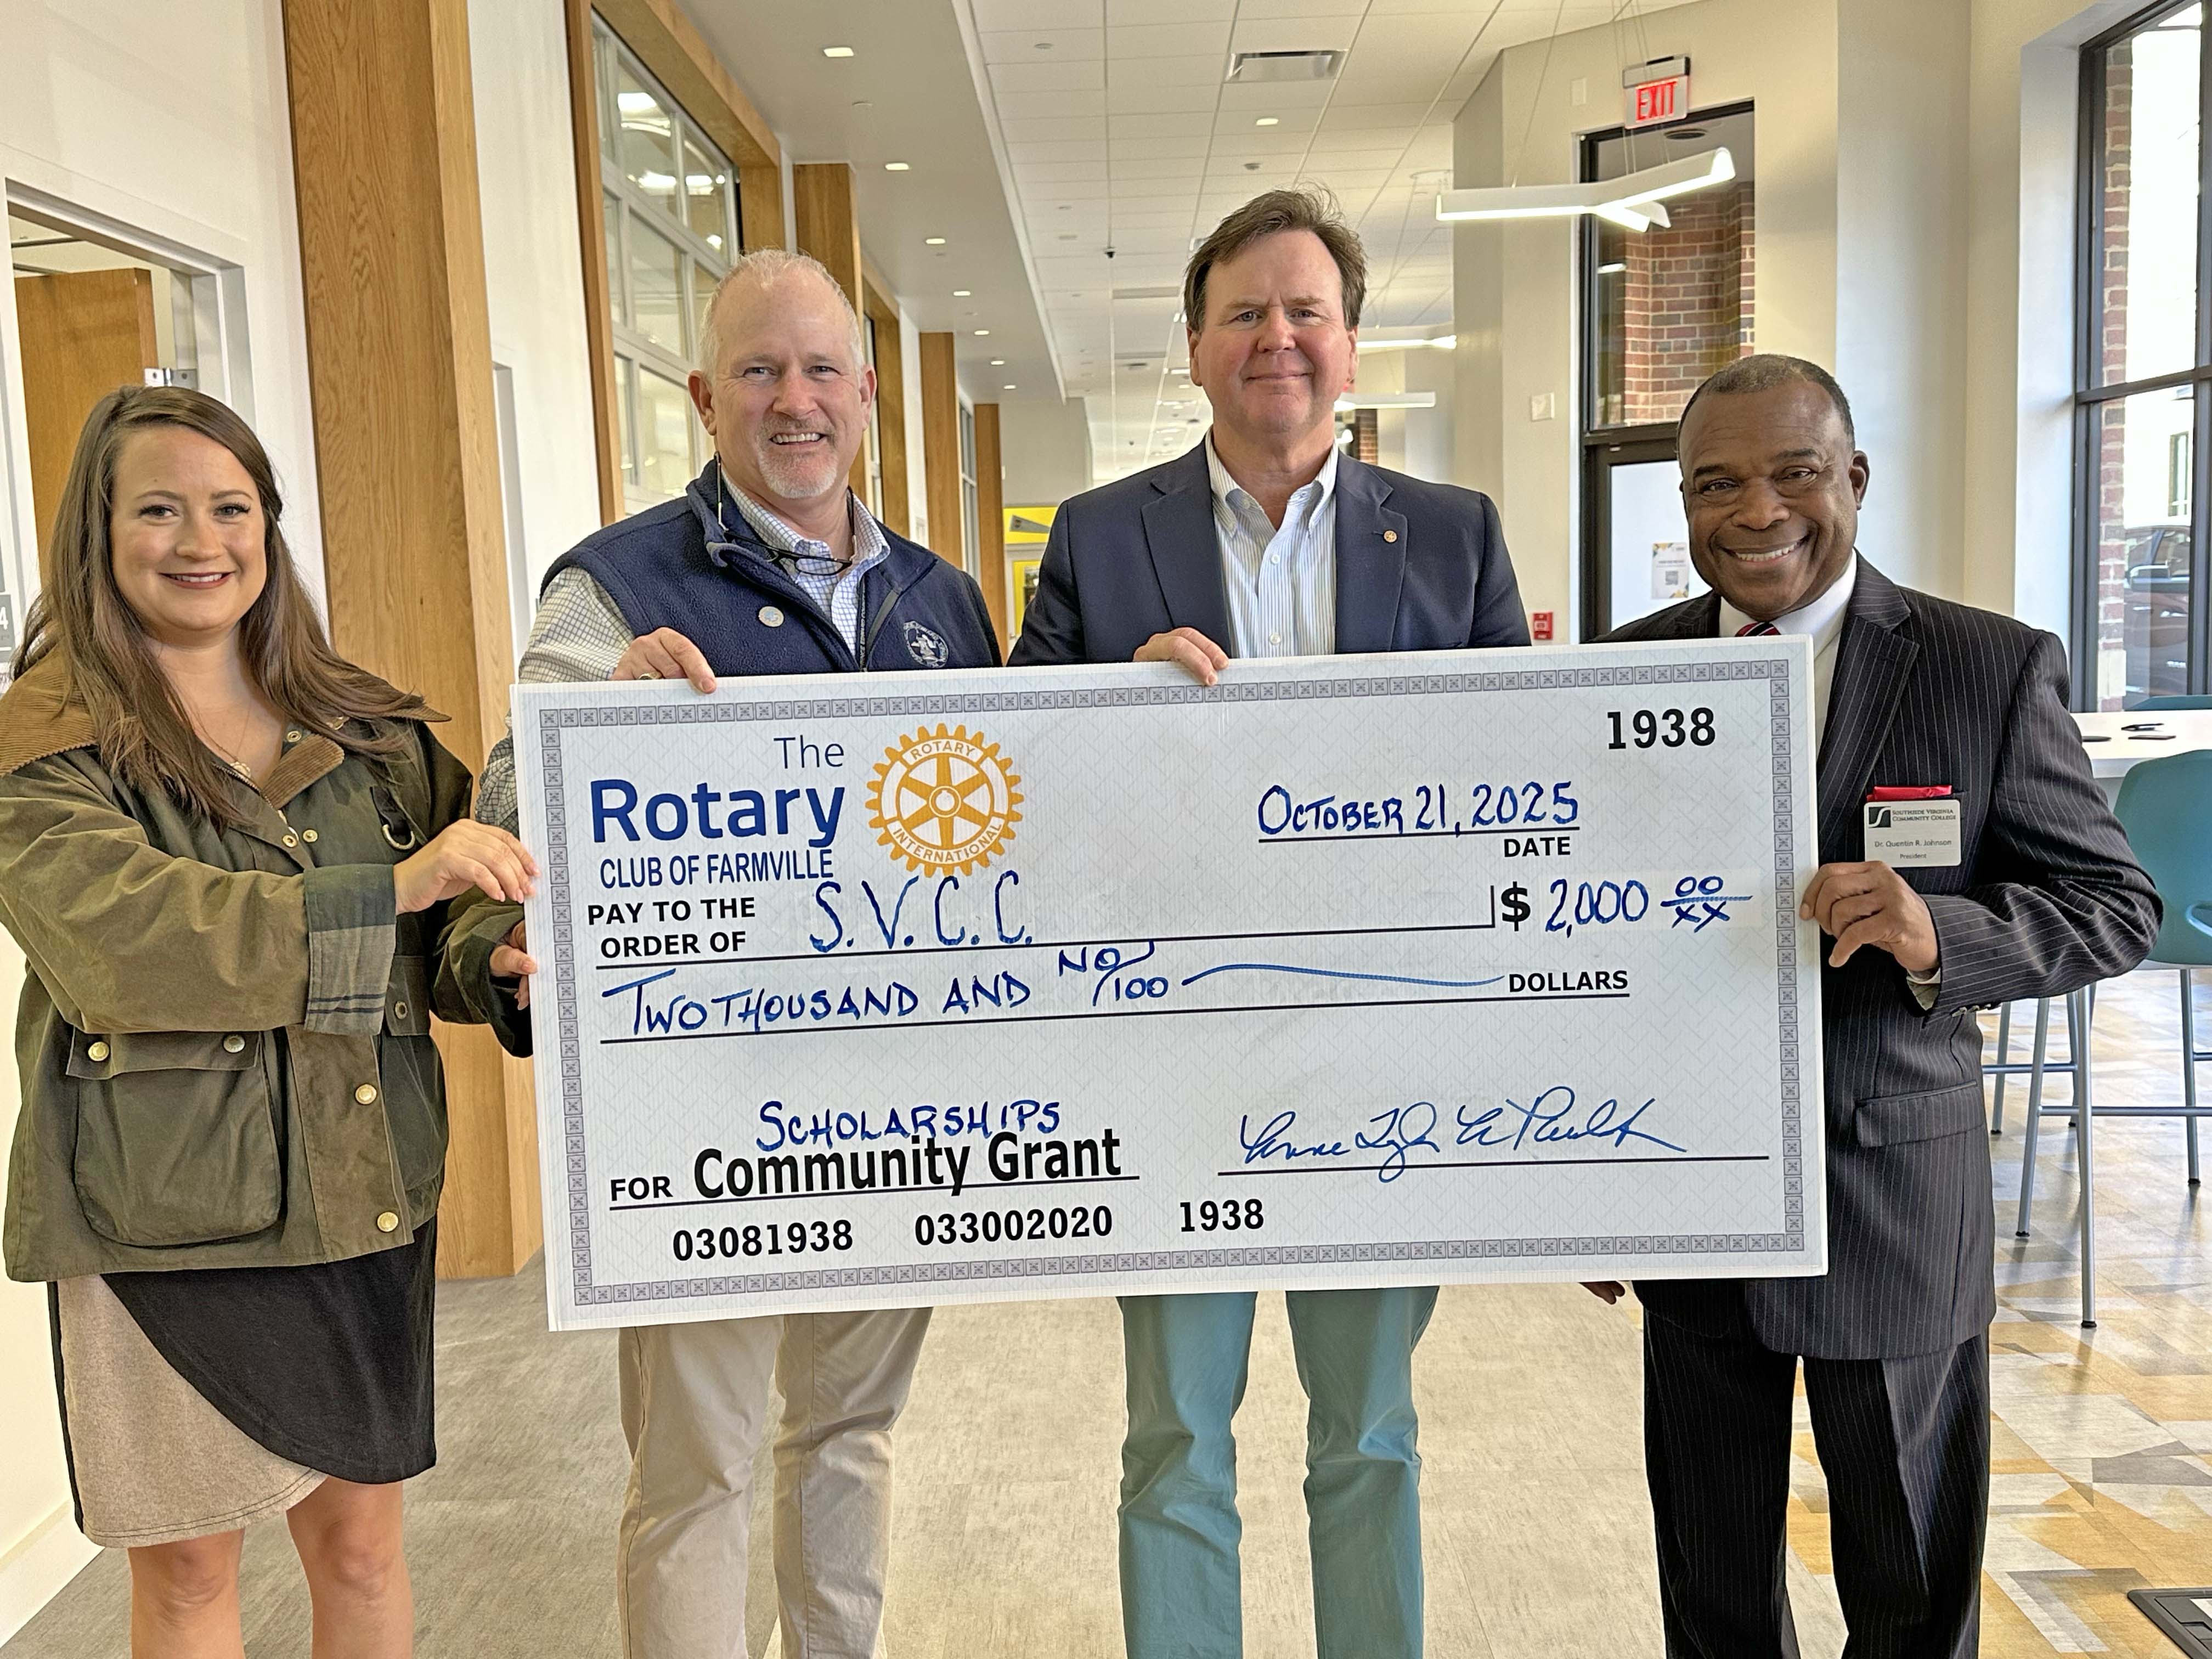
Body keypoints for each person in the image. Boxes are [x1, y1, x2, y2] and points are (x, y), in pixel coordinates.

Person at [441, 247, 997, 1658]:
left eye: (821, 371)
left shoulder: (944, 603)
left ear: (868, 395)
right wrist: (597, 727)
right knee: (698, 1469)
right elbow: (508, 801)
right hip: (704, 1122)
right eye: (758, 370)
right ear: (704, 394)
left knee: (853, 1435)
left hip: (901, 1104)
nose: (793, 400)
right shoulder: (615, 585)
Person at [1011, 188, 1527, 1659]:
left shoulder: (1452, 534)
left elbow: (1516, 777)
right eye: (1244, 313)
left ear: (1352, 344)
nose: (1276, 340)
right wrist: (1116, 698)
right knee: (1175, 1431)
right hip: (1171, 1059)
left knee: (1370, 1426)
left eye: (1306, 311)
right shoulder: (1103, 541)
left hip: (1380, 1061)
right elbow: (1020, 784)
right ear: (1194, 348)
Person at [1590, 354, 2160, 1658]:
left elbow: (2112, 907)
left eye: (1794, 473)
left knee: (1910, 1594)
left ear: (1854, 478)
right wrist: (1585, 1178)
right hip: (1693, 1202)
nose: (1757, 511)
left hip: (1897, 1207)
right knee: (1714, 1591)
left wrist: (1936, 933)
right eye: (1716, 483)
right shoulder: (1624, 675)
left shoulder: (1988, 667)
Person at [0, 386, 536, 1657]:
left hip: (361, 1189)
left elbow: (445, 933)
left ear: (269, 526)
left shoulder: (364, 724)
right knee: (189, 1574)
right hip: (160, 1221)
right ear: (97, 533)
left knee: (361, 1546)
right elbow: (131, 943)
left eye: (230, 507)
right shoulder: (42, 737)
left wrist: (496, 950)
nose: (202, 541)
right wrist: (396, 889)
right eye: (160, 510)